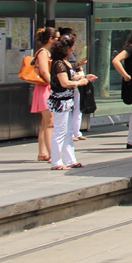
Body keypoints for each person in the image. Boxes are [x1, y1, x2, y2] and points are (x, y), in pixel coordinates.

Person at [48, 33, 96, 170]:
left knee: (68, 131)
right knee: (60, 130)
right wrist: (80, 82)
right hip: (60, 101)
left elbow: (71, 76)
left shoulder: (64, 63)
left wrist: (85, 77)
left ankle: (70, 160)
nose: (73, 50)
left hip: (66, 100)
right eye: (72, 47)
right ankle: (56, 161)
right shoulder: (58, 64)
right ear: (66, 49)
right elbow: (65, 82)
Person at [31, 27, 57, 162]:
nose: (58, 41)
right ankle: (52, 154)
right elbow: (44, 71)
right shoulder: (43, 52)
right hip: (44, 89)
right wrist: (52, 83)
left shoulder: (46, 52)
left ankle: (42, 152)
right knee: (50, 122)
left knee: (44, 122)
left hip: (44, 89)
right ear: (50, 39)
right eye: (56, 38)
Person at [58, 28, 88, 142]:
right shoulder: (61, 62)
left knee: (75, 107)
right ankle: (72, 133)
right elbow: (66, 78)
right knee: (71, 111)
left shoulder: (62, 61)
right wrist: (78, 80)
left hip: (70, 86)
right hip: (63, 94)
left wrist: (81, 78)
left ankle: (74, 132)